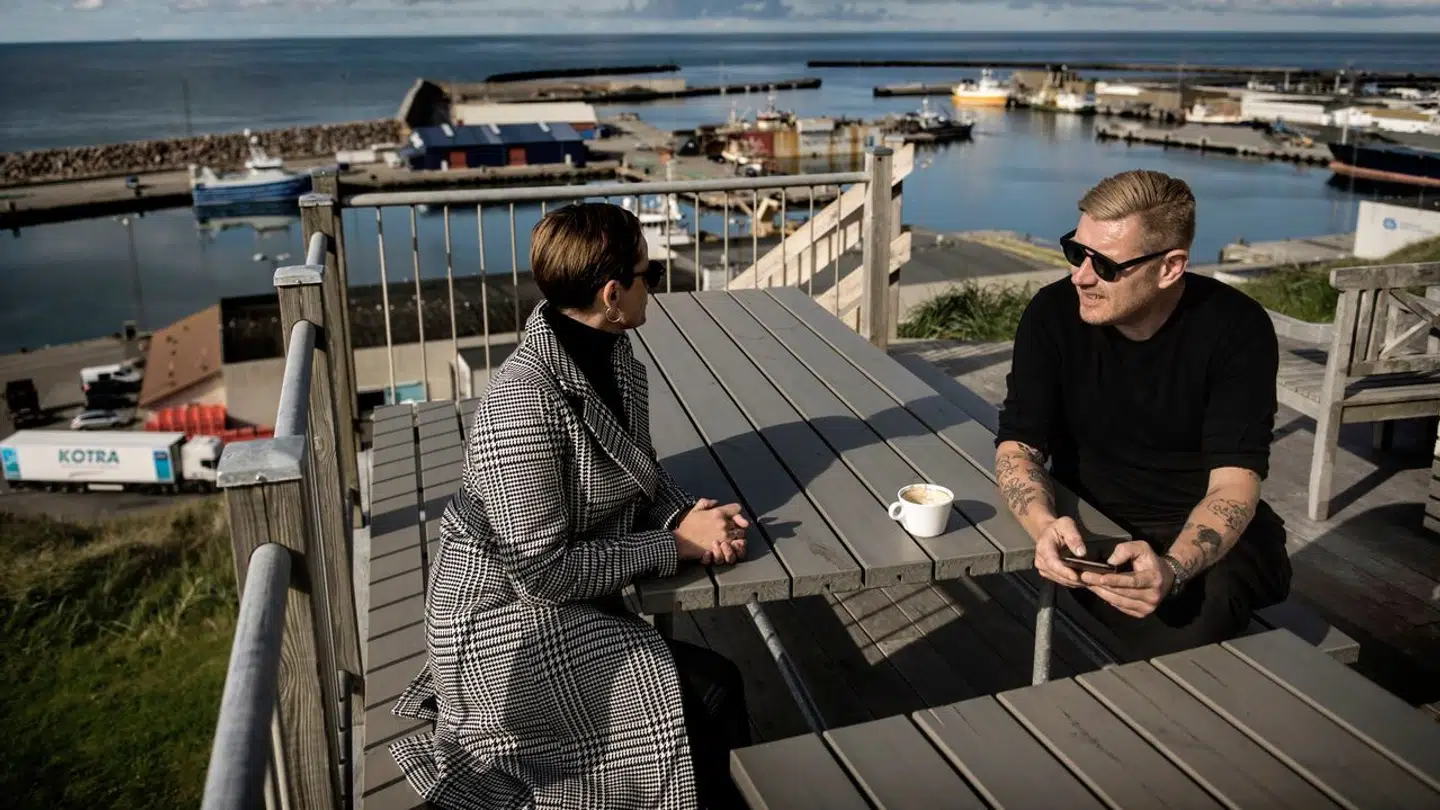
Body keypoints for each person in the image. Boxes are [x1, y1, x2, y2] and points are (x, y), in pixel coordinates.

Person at [388, 202, 753, 810]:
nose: (654, 287)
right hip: (500, 623)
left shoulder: (612, 358)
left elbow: (638, 471)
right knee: (710, 691)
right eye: (648, 275)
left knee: (709, 691)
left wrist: (683, 514)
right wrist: (679, 545)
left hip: (559, 596)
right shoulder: (521, 402)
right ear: (613, 294)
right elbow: (542, 571)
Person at [994, 169, 1292, 660]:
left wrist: (1173, 568)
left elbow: (1235, 483)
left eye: (1106, 265)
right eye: (1076, 251)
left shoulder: (1236, 329)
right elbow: (1019, 444)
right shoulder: (1052, 314)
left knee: (1197, 618)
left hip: (1203, 532)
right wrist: (1044, 524)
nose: (1081, 276)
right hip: (1093, 521)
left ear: (1170, 267)